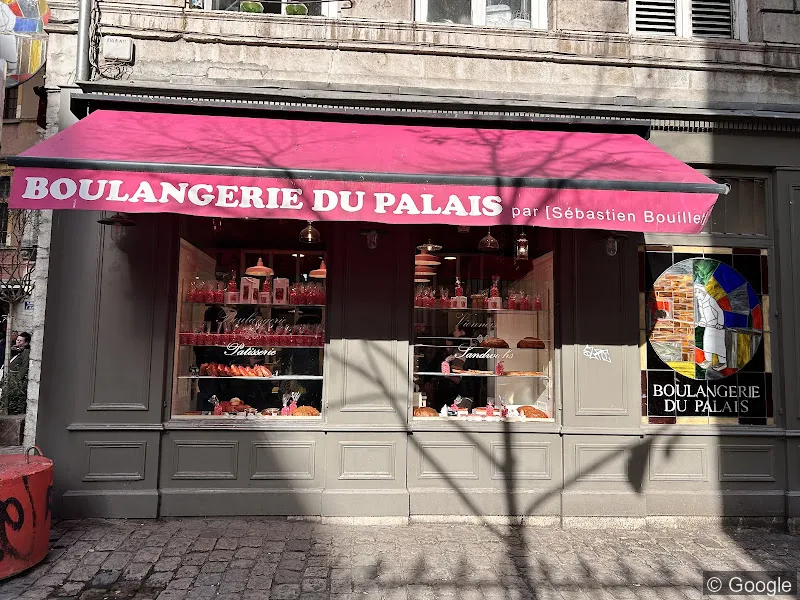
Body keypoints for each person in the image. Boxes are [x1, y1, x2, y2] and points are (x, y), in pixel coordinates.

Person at [1, 332, 31, 415]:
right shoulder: (14, 350)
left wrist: (16, 380)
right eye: (17, 340)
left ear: (26, 342)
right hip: (8, 378)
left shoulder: (26, 352)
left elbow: (24, 367)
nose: (18, 342)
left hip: (14, 381)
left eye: (20, 341)